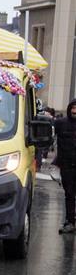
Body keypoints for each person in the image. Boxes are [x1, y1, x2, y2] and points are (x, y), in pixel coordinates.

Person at [53, 98, 76, 234]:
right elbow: (48, 136)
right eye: (73, 108)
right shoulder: (60, 123)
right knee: (69, 194)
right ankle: (70, 221)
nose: (75, 111)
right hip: (67, 165)